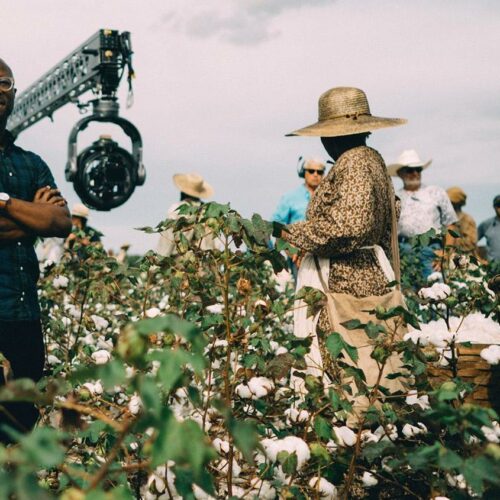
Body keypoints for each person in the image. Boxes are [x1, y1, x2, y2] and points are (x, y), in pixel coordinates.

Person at [275, 86, 407, 418]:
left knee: (346, 350)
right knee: (371, 347)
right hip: (367, 267)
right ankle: (365, 427)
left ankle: (347, 432)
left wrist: (293, 232)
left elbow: (351, 226)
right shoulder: (370, 160)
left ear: (330, 137)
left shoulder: (355, 164)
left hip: (347, 272)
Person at [0, 58, 72, 442]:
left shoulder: (30, 163)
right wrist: (33, 216)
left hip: (23, 316)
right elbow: (44, 219)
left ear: (13, 94)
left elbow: (61, 223)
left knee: (20, 424)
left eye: (5, 83)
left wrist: (6, 203)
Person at [387, 149, 457, 280]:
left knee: (435, 294)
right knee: (407, 298)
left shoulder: (436, 193)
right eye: (410, 170)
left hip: (431, 252)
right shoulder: (394, 198)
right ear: (400, 173)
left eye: (418, 169)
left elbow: (450, 224)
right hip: (404, 254)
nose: (415, 173)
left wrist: (446, 254)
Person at [272, 157, 326, 279]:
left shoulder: (329, 197)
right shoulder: (290, 197)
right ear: (303, 173)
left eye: (320, 172)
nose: (315, 174)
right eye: (311, 171)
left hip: (324, 255)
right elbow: (275, 225)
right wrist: (289, 248)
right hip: (298, 257)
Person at [157, 173, 217, 257]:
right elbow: (216, 245)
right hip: (204, 263)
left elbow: (167, 240)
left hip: (180, 262)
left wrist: (158, 262)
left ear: (183, 191)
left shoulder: (177, 209)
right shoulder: (209, 212)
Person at [446, 186, 478, 255]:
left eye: (451, 202)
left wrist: (451, 240)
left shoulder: (468, 220)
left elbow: (471, 243)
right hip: (447, 258)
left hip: (464, 258)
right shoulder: (444, 219)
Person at [478, 195, 500, 262]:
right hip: (493, 269)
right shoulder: (486, 224)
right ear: (494, 207)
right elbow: (470, 243)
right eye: (498, 205)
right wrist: (479, 259)